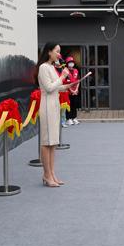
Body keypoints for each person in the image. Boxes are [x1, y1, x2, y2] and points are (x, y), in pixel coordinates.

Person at [37, 43, 76, 187]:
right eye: (57, 51)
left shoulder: (52, 67)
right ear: (49, 52)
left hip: (54, 105)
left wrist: (68, 86)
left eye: (59, 52)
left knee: (53, 142)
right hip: (47, 106)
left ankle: (52, 173)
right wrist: (63, 76)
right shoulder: (43, 67)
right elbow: (48, 88)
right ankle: (47, 175)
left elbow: (56, 87)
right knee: (46, 142)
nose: (59, 54)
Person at [63, 56, 81, 125]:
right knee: (68, 105)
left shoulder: (76, 70)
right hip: (68, 92)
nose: (71, 64)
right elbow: (65, 82)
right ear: (67, 63)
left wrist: (76, 89)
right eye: (70, 62)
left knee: (74, 105)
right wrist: (71, 90)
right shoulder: (65, 71)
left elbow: (78, 81)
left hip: (75, 92)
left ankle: (74, 118)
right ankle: (69, 118)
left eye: (72, 62)